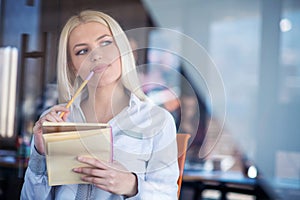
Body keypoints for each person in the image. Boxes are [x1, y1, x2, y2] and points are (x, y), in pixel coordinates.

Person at [21, 10, 179, 199]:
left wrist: (132, 186)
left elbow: (168, 195)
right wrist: (40, 154)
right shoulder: (55, 120)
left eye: (105, 43)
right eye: (82, 51)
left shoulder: (157, 121)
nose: (96, 55)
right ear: (73, 66)